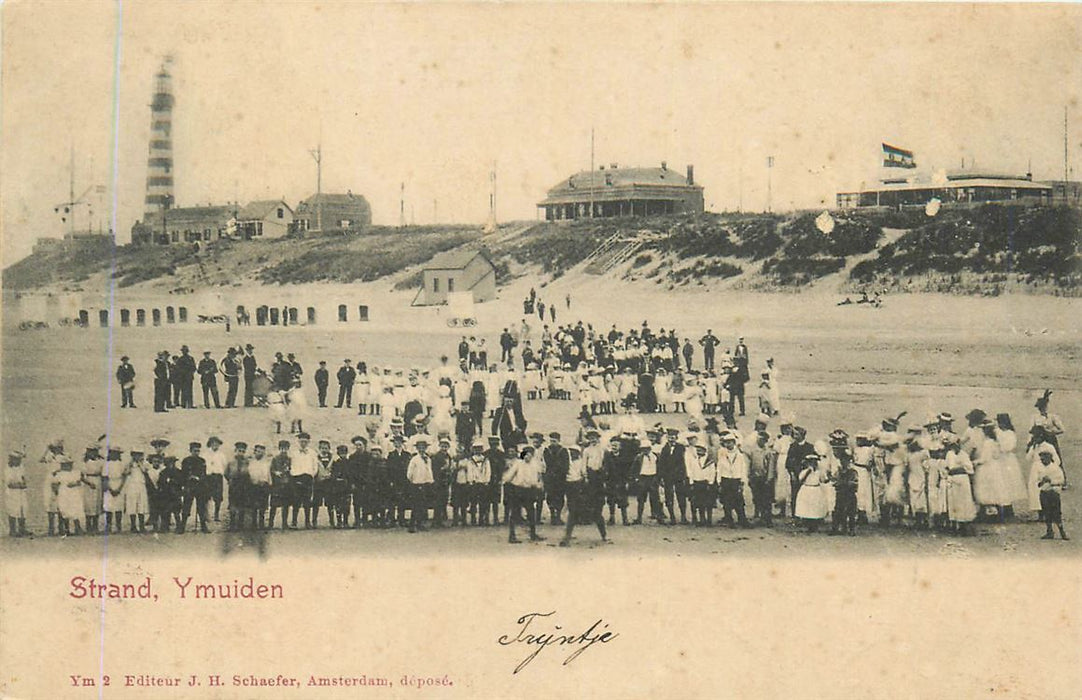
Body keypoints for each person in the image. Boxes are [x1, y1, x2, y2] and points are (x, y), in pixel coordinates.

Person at [503, 444, 544, 543]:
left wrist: (538, 485)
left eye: (529, 455)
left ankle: (533, 535)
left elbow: (538, 477)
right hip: (518, 490)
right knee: (514, 513)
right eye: (525, 454)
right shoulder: (518, 463)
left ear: (532, 455)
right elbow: (508, 477)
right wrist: (511, 484)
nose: (526, 457)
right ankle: (512, 536)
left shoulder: (535, 465)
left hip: (529, 491)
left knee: (531, 513)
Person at [716, 431, 749, 527]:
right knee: (726, 500)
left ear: (734, 443)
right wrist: (719, 481)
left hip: (736, 479)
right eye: (726, 442)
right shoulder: (722, 454)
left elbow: (743, 468)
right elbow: (719, 468)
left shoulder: (739, 455)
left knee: (739, 500)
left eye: (730, 442)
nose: (728, 444)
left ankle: (742, 519)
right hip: (726, 479)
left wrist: (742, 481)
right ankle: (729, 519)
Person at [1035, 445, 1068, 540]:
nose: (1042, 461)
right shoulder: (1040, 468)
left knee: (1056, 513)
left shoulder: (1055, 468)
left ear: (1049, 458)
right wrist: (1041, 482)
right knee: (1046, 512)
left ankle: (1062, 532)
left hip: (1053, 493)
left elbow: (1062, 481)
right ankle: (1049, 531)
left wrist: (1051, 481)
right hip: (1044, 493)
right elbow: (1037, 482)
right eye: (1041, 459)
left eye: (1044, 459)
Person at [746, 429, 776, 526]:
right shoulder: (752, 451)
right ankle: (757, 515)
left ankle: (766, 518)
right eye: (758, 439)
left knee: (766, 499)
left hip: (765, 478)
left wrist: (769, 478)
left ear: (766, 441)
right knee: (756, 497)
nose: (759, 441)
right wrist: (749, 476)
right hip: (755, 477)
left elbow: (771, 467)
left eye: (762, 440)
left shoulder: (768, 452)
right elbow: (749, 464)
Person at [179, 441, 210, 534]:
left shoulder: (202, 461)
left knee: (201, 507)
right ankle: (182, 526)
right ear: (190, 451)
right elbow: (183, 474)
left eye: (198, 451)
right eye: (195, 451)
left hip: (199, 487)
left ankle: (204, 527)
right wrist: (189, 478)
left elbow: (204, 474)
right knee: (186, 506)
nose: (196, 453)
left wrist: (199, 479)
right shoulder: (186, 461)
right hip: (189, 486)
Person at [406, 436, 434, 533]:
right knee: (415, 505)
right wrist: (413, 481)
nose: (422, 449)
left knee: (423, 505)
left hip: (425, 484)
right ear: (417, 448)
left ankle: (420, 523)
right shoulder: (414, 459)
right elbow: (409, 473)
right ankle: (412, 525)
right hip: (416, 484)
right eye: (420, 447)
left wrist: (430, 481)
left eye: (423, 447)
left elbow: (429, 471)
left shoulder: (428, 459)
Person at [632, 437, 662, 524]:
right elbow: (634, 469)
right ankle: (639, 518)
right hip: (643, 478)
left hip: (653, 478)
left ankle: (658, 517)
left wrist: (658, 478)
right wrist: (637, 478)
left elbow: (660, 468)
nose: (645, 450)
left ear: (650, 448)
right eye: (643, 449)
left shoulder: (655, 456)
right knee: (641, 499)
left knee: (655, 499)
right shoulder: (639, 457)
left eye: (647, 448)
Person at [794, 453, 828, 532]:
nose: (813, 464)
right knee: (807, 507)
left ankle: (814, 525)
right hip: (807, 489)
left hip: (816, 489)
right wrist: (808, 471)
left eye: (814, 462)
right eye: (811, 462)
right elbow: (801, 480)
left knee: (815, 507)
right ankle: (808, 524)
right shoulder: (804, 471)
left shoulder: (819, 472)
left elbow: (823, 480)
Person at [542, 432, 569, 525]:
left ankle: (558, 516)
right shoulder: (547, 450)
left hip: (560, 478)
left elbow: (566, 464)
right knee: (550, 496)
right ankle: (552, 515)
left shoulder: (563, 451)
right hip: (550, 478)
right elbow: (547, 463)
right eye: (551, 441)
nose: (553, 443)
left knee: (560, 496)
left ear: (559, 441)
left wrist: (560, 473)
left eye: (555, 441)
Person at [122, 449, 150, 534]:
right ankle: (133, 526)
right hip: (132, 486)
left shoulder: (144, 463)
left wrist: (139, 463)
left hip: (141, 486)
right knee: (132, 505)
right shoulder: (129, 464)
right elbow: (125, 473)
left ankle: (142, 526)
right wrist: (130, 465)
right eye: (135, 455)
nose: (137, 457)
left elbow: (145, 471)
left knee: (141, 505)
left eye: (139, 455)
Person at [224, 442, 250, 530]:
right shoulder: (231, 462)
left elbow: (249, 473)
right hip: (234, 486)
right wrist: (230, 480)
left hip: (244, 486)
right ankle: (232, 524)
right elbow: (226, 473)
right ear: (236, 451)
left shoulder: (247, 462)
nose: (241, 453)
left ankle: (240, 524)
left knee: (242, 505)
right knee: (232, 505)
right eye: (239, 451)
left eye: (243, 451)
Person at [247, 443, 272, 530]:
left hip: (263, 486)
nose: (259, 453)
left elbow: (269, 475)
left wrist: (268, 484)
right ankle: (253, 523)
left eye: (261, 452)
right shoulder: (251, 463)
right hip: (253, 486)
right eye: (257, 451)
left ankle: (261, 523)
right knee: (253, 505)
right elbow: (249, 474)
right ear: (254, 452)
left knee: (263, 506)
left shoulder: (267, 463)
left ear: (264, 453)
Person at [5, 450, 30, 537]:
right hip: (12, 493)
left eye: (19, 459)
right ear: (11, 459)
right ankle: (12, 530)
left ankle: (22, 529)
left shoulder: (21, 467)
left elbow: (23, 478)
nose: (19, 461)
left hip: (21, 491)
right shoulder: (8, 469)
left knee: (23, 509)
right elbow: (9, 484)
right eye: (16, 459)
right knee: (13, 510)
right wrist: (19, 485)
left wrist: (24, 483)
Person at [204, 436, 228, 522]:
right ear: (210, 444)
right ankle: (206, 515)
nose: (215, 445)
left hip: (218, 477)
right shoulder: (205, 454)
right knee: (206, 497)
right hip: (208, 477)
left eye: (217, 443)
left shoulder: (221, 455)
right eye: (213, 443)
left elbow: (225, 467)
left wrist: (227, 478)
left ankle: (216, 515)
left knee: (218, 497)